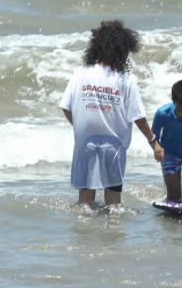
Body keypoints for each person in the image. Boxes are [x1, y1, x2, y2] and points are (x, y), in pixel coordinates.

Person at [59, 20, 161, 208]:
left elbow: (66, 107)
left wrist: (79, 125)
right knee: (114, 203)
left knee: (85, 201)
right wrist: (154, 142)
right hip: (113, 147)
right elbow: (137, 116)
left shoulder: (81, 73)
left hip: (85, 144)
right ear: (122, 51)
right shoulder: (125, 80)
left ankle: (84, 235)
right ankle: (112, 234)